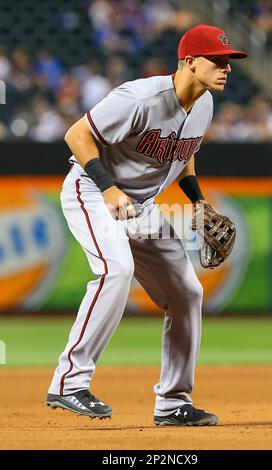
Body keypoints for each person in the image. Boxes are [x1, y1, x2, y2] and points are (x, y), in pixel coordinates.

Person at [46, 24, 247, 426]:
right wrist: (107, 188)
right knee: (116, 269)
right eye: (217, 60)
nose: (226, 67)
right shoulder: (139, 97)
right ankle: (69, 382)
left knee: (187, 291)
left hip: (141, 206)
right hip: (92, 191)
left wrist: (197, 200)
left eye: (229, 61)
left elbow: (184, 154)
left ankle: (173, 403)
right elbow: (76, 134)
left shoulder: (204, 104)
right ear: (189, 62)